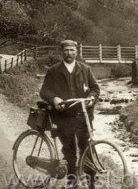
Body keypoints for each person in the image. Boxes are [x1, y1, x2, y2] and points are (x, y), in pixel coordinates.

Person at [40, 40, 100, 189]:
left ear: (76, 51)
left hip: (82, 117)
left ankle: (91, 185)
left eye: (72, 50)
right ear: (62, 52)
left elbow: (95, 88)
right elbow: (44, 91)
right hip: (63, 117)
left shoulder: (85, 69)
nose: (69, 53)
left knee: (88, 150)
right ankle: (72, 184)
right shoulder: (54, 71)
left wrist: (91, 99)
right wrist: (55, 99)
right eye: (66, 50)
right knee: (70, 153)